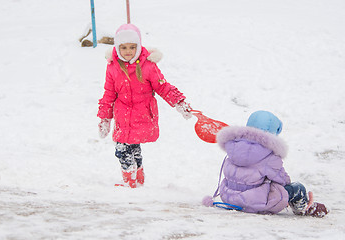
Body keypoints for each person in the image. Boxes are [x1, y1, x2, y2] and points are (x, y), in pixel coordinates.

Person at [97, 24, 192, 188]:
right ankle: (137, 179)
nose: (128, 51)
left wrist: (179, 102)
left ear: (139, 46)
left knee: (124, 150)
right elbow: (109, 94)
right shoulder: (113, 67)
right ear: (118, 47)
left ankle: (131, 182)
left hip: (142, 115)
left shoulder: (148, 66)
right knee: (131, 148)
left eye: (132, 47)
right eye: (124, 47)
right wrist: (105, 118)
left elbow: (163, 86)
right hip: (122, 116)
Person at [202, 110, 329, 217]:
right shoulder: (269, 154)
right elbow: (282, 180)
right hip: (252, 202)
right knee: (296, 188)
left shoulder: (233, 147)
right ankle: (303, 208)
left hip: (228, 198)